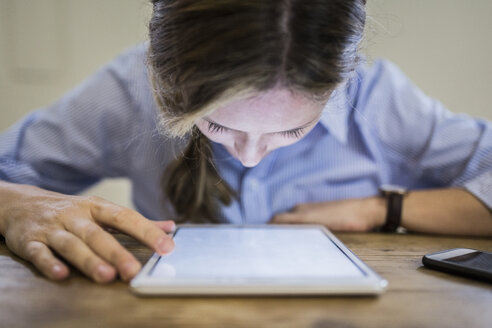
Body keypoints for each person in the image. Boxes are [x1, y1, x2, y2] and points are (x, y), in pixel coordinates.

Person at [0, 0, 491, 284]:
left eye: (293, 130)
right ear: (163, 80)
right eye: (216, 126)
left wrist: (384, 210)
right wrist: (13, 203)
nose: (249, 158)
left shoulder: (379, 99)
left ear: (338, 86)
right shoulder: (129, 89)